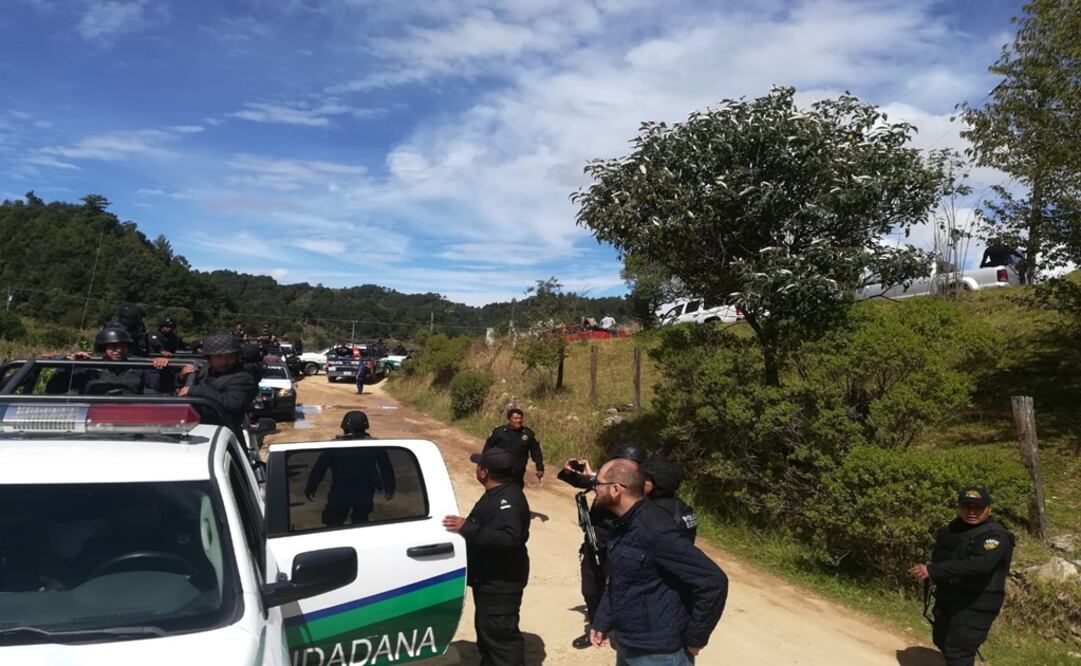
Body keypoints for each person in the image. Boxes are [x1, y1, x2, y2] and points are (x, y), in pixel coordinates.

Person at [590, 459, 728, 665]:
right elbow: (617, 578)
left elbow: (713, 581)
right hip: (628, 644)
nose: (595, 489)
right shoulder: (622, 524)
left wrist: (696, 638)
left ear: (616, 489)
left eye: (599, 484)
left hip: (660, 654)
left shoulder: (655, 529)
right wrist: (602, 620)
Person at [443, 448, 530, 666]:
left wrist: (468, 528)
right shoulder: (499, 492)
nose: (477, 469)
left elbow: (509, 538)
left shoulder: (508, 500)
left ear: (484, 472)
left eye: (479, 466)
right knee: (487, 630)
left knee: (501, 636)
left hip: (501, 583)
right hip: (490, 580)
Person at [557, 443, 648, 649]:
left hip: (622, 546)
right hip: (595, 543)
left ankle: (626, 635)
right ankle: (596, 627)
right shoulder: (607, 480)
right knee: (590, 589)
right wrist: (571, 472)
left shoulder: (641, 488)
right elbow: (584, 481)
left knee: (621, 590)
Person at [910, 487, 1014, 666]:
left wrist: (934, 571)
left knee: (959, 649)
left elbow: (979, 564)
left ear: (989, 509)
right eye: (967, 506)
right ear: (959, 507)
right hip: (950, 597)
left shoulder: (996, 535)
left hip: (978, 602)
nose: (972, 512)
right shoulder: (954, 529)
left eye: (978, 508)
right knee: (941, 639)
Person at [304, 418, 395, 527]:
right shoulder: (374, 445)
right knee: (360, 521)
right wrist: (389, 487)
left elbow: (319, 468)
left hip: (341, 491)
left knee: (334, 523)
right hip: (363, 491)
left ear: (344, 428)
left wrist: (311, 486)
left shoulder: (335, 446)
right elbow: (386, 468)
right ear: (365, 428)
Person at [48, 326, 167, 395]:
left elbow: (158, 386)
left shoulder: (138, 367)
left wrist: (161, 367)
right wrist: (70, 364)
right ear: (103, 348)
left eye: (123, 346)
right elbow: (55, 388)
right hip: (93, 416)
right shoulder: (88, 367)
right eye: (113, 347)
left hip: (129, 415)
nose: (119, 350)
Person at [176, 333, 257, 434]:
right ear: (209, 358)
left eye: (230, 356)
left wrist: (196, 390)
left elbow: (234, 404)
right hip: (192, 428)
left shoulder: (243, 378)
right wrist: (182, 377)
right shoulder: (206, 370)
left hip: (224, 433)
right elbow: (181, 392)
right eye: (219, 356)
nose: (225, 361)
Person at [641, 457, 698, 542]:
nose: (639, 481)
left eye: (645, 478)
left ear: (657, 483)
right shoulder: (681, 507)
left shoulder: (655, 511)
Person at [483, 408, 544, 486]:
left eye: (520, 418)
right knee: (499, 490)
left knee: (516, 490)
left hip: (518, 471)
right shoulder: (499, 432)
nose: (519, 420)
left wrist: (539, 466)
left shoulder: (528, 434)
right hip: (500, 470)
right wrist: (483, 464)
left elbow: (536, 451)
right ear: (509, 419)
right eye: (515, 418)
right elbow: (488, 448)